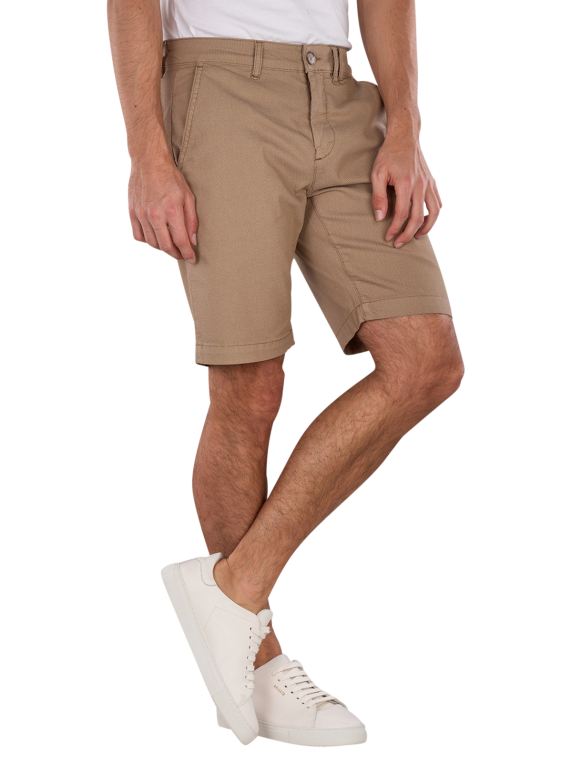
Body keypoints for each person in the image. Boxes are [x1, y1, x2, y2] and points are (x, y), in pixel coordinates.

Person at [107, 0, 465, 747]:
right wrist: (147, 154)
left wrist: (405, 127)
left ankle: (233, 591)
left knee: (426, 363)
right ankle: (261, 664)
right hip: (216, 89)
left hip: (340, 90)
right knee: (249, 386)